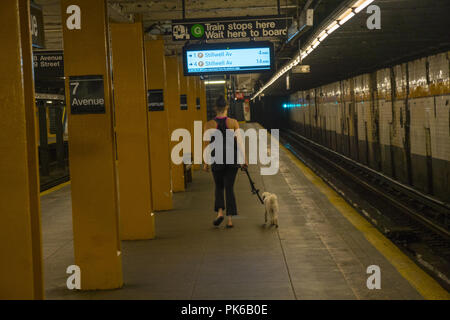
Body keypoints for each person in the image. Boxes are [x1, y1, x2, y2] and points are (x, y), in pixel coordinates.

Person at [203, 95, 247, 228]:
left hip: (217, 159)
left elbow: (206, 145)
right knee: (229, 188)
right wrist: (244, 160)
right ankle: (230, 220)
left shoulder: (209, 124)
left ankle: (220, 213)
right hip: (231, 160)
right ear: (227, 107)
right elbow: (239, 143)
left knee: (218, 187)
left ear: (215, 108)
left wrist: (206, 163)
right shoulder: (233, 122)